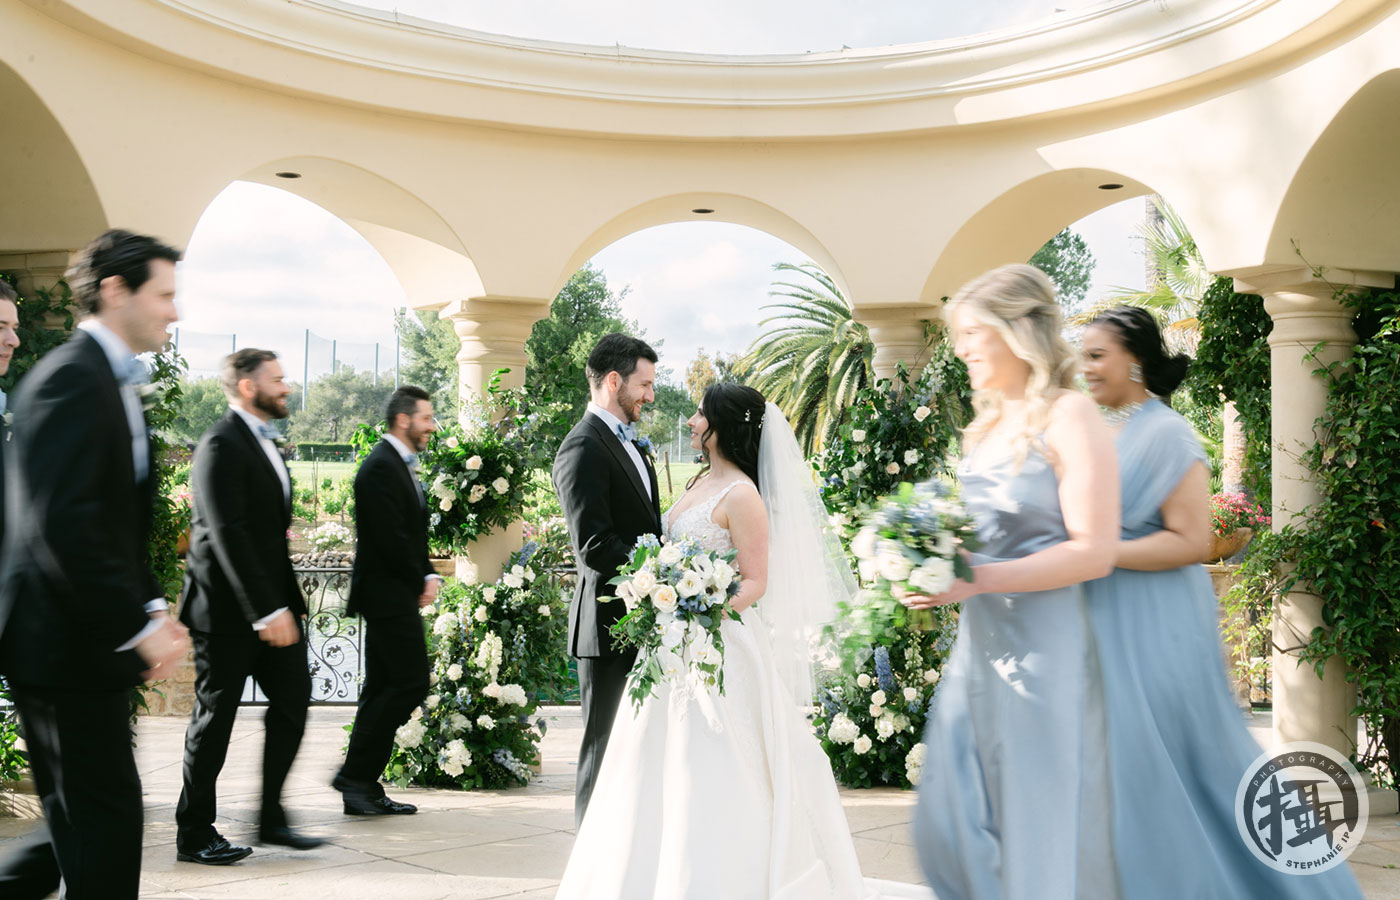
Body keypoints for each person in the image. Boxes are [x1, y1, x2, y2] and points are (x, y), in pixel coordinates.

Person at [557, 382, 932, 900]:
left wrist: (702, 609)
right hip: (670, 645)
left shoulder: (744, 495)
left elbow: (755, 581)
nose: (689, 422)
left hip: (718, 644)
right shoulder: (694, 484)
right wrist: (665, 599)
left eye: (697, 414)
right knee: (650, 762)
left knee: (713, 761)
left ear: (720, 427)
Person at [1080, 306, 1365, 898]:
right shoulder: (1125, 429)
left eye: (1097, 354)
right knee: (1138, 772)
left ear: (1134, 359)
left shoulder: (1168, 432)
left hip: (1160, 625)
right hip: (1119, 621)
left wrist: (1096, 550)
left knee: (1200, 763)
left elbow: (1190, 541)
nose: (1086, 367)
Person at [902, 264, 1121, 900]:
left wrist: (975, 577)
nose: (963, 347)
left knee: (1035, 820)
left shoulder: (1070, 415)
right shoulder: (988, 426)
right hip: (981, 647)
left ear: (1017, 331)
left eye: (974, 332)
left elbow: (1095, 551)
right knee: (950, 816)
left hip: (1047, 652)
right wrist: (921, 556)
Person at [0, 229, 191, 899]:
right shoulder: (69, 382)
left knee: (81, 821)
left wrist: (151, 609)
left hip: (86, 646)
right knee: (103, 821)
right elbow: (62, 527)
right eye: (163, 295)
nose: (174, 311)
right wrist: (136, 626)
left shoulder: (106, 382)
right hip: (59, 647)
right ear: (115, 290)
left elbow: (115, 527)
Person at [175, 348, 323, 864]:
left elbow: (267, 539)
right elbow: (227, 534)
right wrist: (265, 610)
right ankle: (194, 833)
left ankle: (271, 817)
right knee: (214, 720)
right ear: (246, 386)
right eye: (277, 380)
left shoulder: (266, 442)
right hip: (224, 612)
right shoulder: (219, 443)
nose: (286, 387)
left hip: (274, 609)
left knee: (293, 704)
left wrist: (287, 605)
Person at [552, 332, 662, 828]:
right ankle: (587, 865)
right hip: (607, 626)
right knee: (603, 746)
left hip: (643, 622)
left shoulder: (631, 442)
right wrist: (661, 571)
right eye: (645, 384)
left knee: (636, 748)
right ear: (613, 381)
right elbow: (594, 546)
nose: (651, 395)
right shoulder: (582, 447)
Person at [334, 385, 439, 814]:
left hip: (395, 593)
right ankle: (355, 775)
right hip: (387, 595)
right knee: (410, 682)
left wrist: (426, 568)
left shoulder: (399, 464)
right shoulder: (379, 467)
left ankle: (361, 787)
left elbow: (409, 532)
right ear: (403, 419)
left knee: (381, 687)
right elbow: (389, 538)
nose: (431, 426)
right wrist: (422, 576)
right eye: (426, 418)